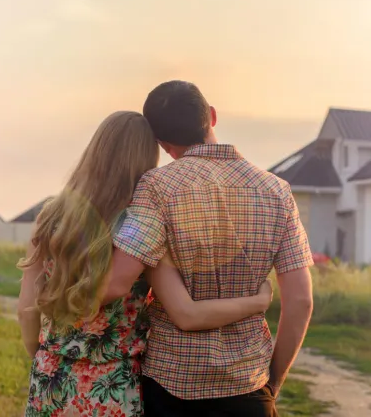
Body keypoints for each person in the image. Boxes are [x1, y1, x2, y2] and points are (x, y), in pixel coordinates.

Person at [16, 111, 274, 417]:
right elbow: (187, 313)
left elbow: (25, 309)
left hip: (51, 377)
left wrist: (46, 357)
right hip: (113, 387)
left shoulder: (50, 218)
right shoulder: (141, 228)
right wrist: (258, 301)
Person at [104, 80, 314, 417]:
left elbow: (119, 279)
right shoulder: (277, 191)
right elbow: (301, 300)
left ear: (162, 143)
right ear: (212, 116)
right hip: (248, 386)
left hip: (171, 387)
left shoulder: (156, 187)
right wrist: (272, 383)